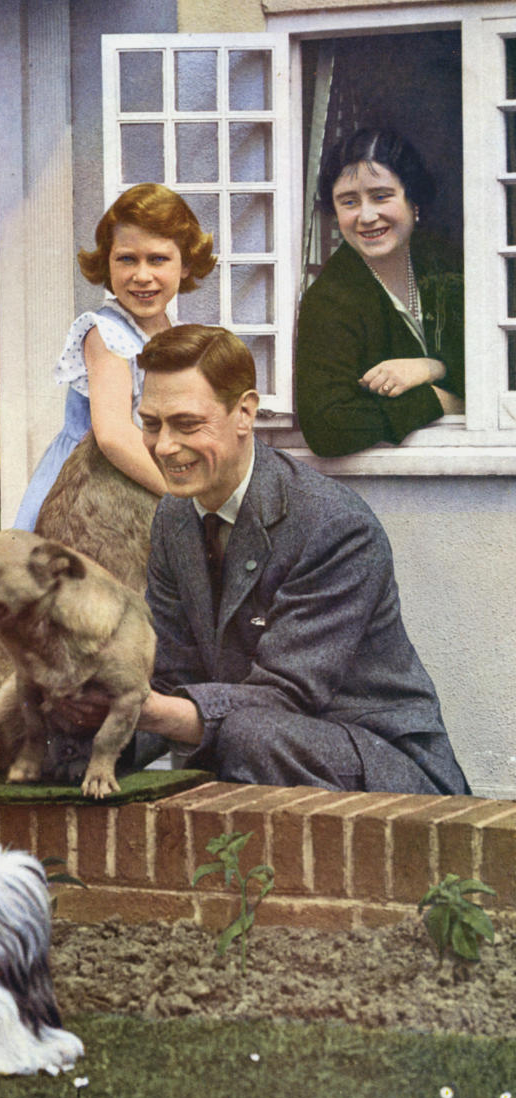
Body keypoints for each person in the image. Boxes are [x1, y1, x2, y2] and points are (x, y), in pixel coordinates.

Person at [100, 323, 468, 794]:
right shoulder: (174, 517)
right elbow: (172, 675)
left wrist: (143, 709)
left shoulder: (333, 525)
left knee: (248, 734)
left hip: (390, 769)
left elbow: (284, 697)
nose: (164, 446)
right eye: (150, 424)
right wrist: (97, 712)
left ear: (245, 413)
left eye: (187, 424)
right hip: (263, 746)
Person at [13, 183, 216, 530]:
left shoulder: (177, 335)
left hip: (145, 479)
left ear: (184, 264)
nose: (141, 275)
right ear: (107, 264)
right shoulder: (106, 334)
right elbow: (113, 435)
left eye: (157, 259)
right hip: (93, 492)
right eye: (126, 259)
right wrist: (184, 497)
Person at [296, 128, 464, 458]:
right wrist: (441, 400)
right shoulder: (331, 297)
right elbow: (327, 425)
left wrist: (431, 369)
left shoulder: (449, 264)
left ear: (413, 200)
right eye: (349, 202)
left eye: (381, 196)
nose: (367, 216)